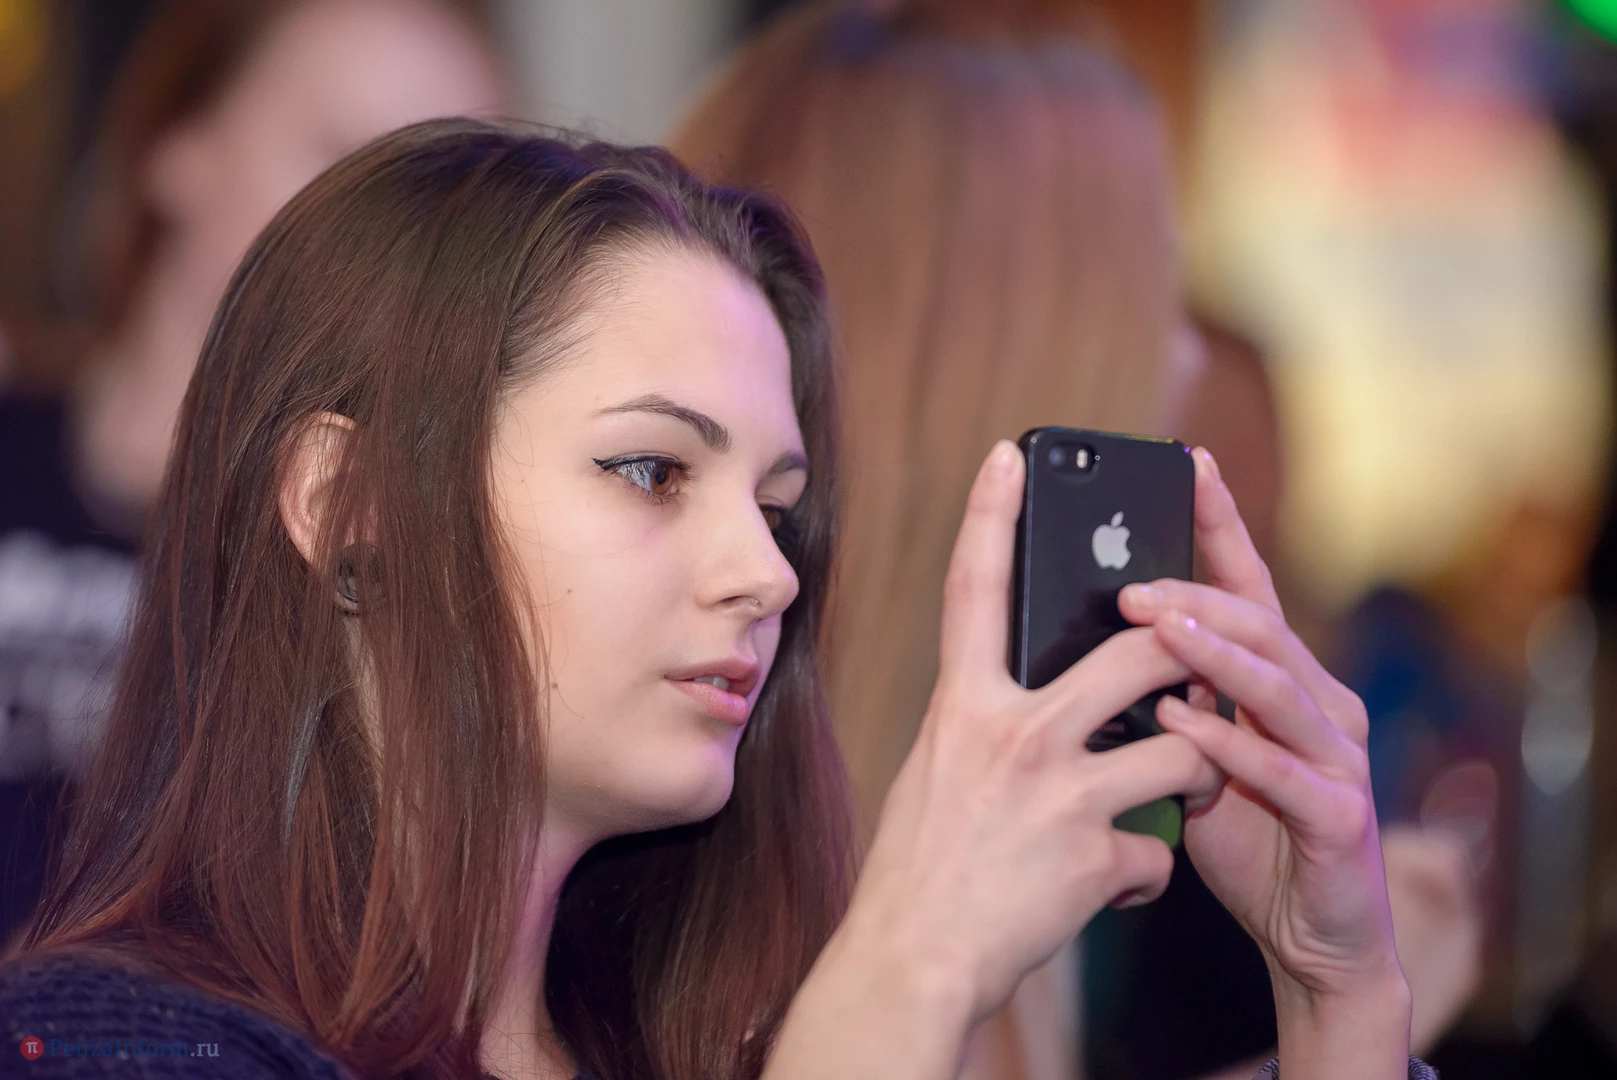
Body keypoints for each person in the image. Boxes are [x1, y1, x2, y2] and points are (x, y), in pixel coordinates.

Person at [0, 119, 1422, 1080]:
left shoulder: (731, 1045)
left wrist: (1336, 992)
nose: (769, 570)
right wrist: (908, 974)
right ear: (346, 501)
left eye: (778, 505)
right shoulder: (121, 1042)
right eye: (652, 470)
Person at [0, 0, 502, 948]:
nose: (398, 243)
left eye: (444, 208)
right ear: (179, 146)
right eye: (344, 162)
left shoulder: (394, 571)